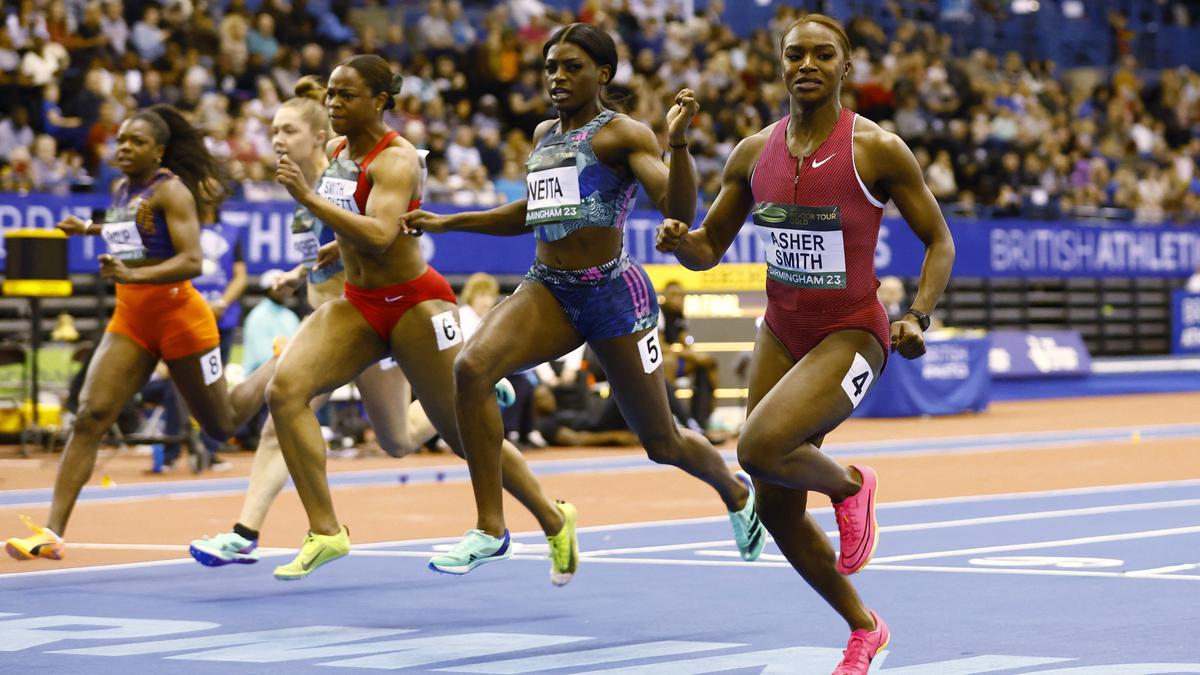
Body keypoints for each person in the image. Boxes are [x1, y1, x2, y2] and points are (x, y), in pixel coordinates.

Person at [402, 24, 765, 575]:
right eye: (550, 67)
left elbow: (678, 206)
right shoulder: (546, 134)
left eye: (571, 66)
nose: (558, 77)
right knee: (471, 368)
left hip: (614, 296)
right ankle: (490, 528)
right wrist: (451, 221)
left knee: (662, 441)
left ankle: (735, 492)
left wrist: (680, 142)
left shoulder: (624, 135)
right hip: (548, 288)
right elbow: (530, 212)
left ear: (602, 73)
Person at [655, 14, 955, 674]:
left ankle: (852, 484)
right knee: (775, 502)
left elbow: (941, 240)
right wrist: (681, 235)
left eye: (824, 54)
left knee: (757, 445)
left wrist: (920, 314)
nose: (808, 64)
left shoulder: (876, 148)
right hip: (783, 330)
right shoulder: (751, 153)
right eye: (796, 55)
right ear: (780, 65)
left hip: (854, 331)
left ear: (846, 68)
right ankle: (864, 626)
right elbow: (706, 251)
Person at [264, 56, 576, 583]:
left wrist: (307, 197)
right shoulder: (339, 151)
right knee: (284, 391)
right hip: (360, 301)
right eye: (331, 96)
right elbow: (353, 224)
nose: (334, 105)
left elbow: (383, 234)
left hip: (416, 304)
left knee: (464, 437)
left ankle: (552, 519)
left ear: (380, 100)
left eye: (346, 96)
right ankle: (325, 531)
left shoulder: (398, 160)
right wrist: (328, 252)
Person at [5, 104, 276, 561]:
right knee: (91, 416)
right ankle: (51, 533)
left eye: (137, 142)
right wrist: (89, 228)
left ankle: (280, 361)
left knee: (222, 423)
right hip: (132, 319)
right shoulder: (121, 188)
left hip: (180, 318)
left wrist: (133, 277)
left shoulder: (173, 192)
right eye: (122, 140)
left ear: (160, 151)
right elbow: (132, 230)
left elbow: (191, 261)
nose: (124, 148)